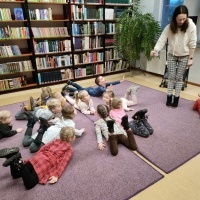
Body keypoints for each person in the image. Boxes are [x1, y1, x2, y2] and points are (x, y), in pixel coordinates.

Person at [0, 126, 75, 190]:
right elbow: (63, 163)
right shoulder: (69, 149)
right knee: (29, 184)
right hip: (47, 162)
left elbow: (43, 148)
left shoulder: (55, 141)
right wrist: (56, 175)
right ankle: (19, 162)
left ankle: (15, 160)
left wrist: (37, 156)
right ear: (71, 138)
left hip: (39, 157)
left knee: (16, 175)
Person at [150, 5, 197, 108]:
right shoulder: (169, 26)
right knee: (171, 77)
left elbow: (193, 43)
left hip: (184, 56)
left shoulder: (191, 26)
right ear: (175, 17)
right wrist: (155, 50)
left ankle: (176, 98)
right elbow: (162, 39)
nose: (181, 21)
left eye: (184, 19)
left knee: (179, 78)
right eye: (179, 19)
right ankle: (169, 96)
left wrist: (191, 58)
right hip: (171, 55)